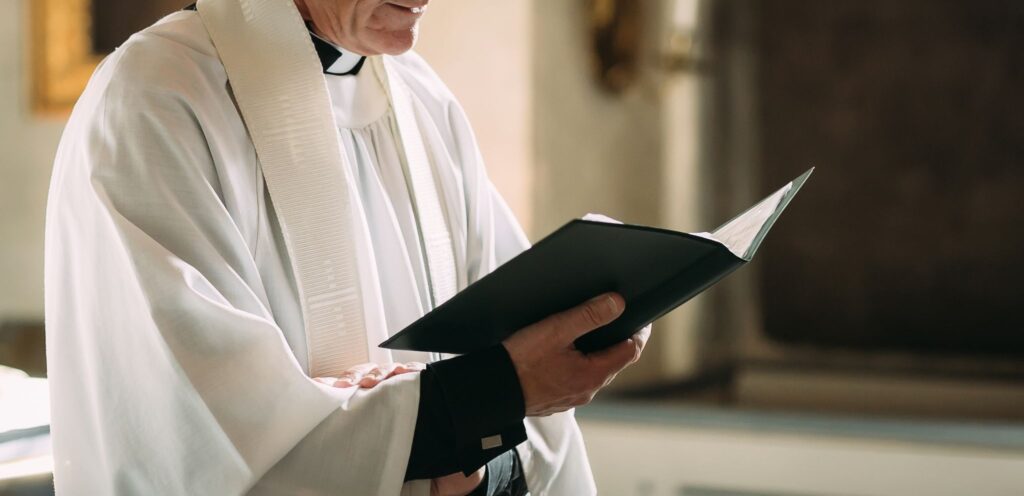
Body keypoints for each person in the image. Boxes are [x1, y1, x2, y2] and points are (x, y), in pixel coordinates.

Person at [44, 0, 650, 494]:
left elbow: (527, 390)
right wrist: (492, 397)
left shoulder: (421, 99)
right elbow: (207, 438)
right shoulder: (156, 98)